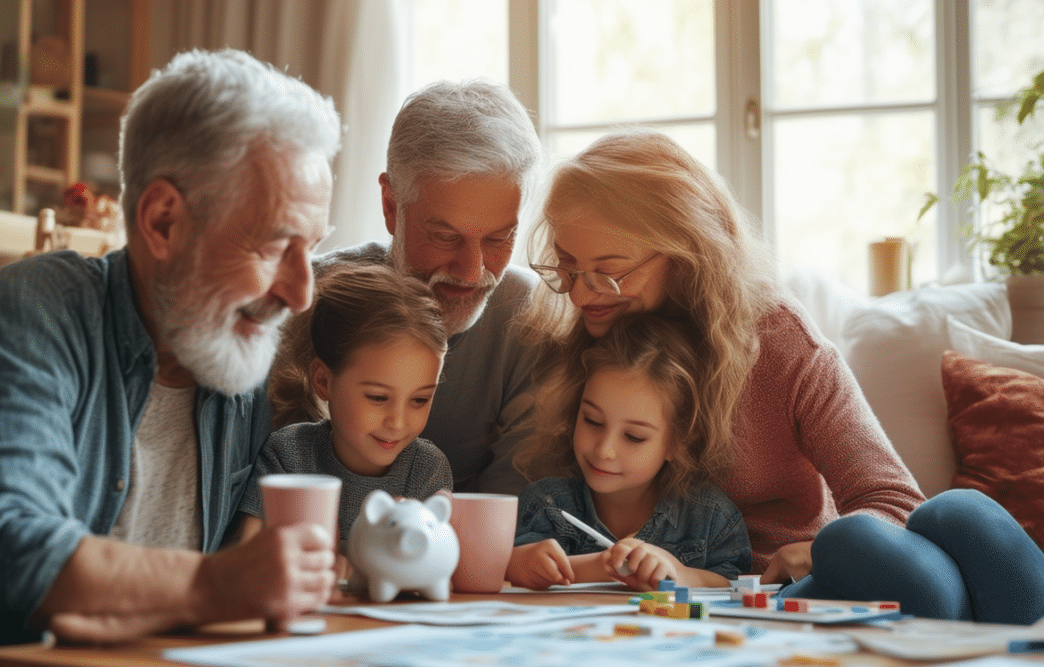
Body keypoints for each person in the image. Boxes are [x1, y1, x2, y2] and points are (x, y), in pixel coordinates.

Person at [0, 48, 342, 665]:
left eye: (312, 249)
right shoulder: (41, 305)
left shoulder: (237, 351)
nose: (299, 291)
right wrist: (211, 585)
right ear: (162, 222)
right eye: (274, 246)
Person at [521, 128, 1044, 623]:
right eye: (567, 266)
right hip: (728, 603)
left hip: (792, 584)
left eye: (609, 272)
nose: (583, 293)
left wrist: (819, 551)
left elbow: (892, 500)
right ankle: (979, 634)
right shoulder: (589, 343)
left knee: (955, 514)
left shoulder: (777, 338)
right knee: (867, 545)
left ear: (687, 251)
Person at [293, 79, 543, 495]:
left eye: (499, 239)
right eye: (445, 236)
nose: (470, 271)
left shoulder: (529, 315)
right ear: (391, 206)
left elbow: (510, 515)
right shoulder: (309, 299)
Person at [507, 314, 750, 591]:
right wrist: (522, 563)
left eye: (634, 437)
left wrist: (679, 573)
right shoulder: (548, 504)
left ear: (678, 442)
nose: (604, 450)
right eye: (592, 421)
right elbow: (508, 567)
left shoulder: (708, 517)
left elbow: (736, 585)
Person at [241, 263, 453, 547]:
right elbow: (246, 552)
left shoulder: (426, 469)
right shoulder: (287, 456)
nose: (398, 422)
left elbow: (438, 561)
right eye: (378, 398)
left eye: (419, 400)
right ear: (324, 382)